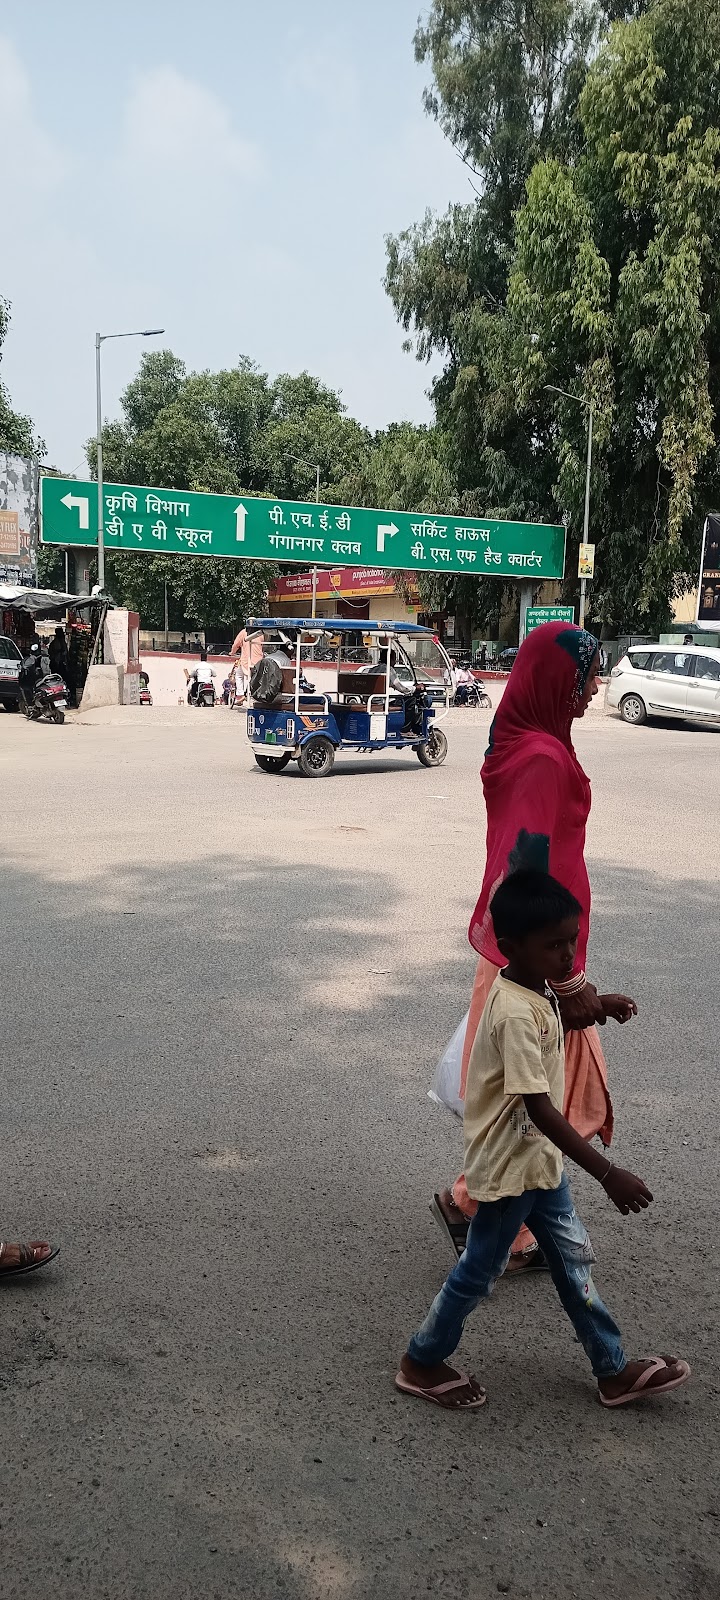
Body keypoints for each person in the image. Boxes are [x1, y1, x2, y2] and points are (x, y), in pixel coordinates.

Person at [397, 870, 690, 1410]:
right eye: (553, 945)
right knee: (479, 1272)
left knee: (572, 1260)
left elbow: (551, 1027)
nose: (567, 955)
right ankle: (421, 1359)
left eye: (571, 942)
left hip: (539, 1163)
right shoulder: (511, 1011)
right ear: (510, 948)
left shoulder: (537, 988)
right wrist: (608, 1174)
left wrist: (598, 1008)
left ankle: (613, 1369)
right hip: (512, 1168)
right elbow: (539, 1107)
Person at [432, 620, 613, 1271]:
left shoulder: (527, 742)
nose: (595, 685)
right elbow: (528, 869)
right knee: (537, 1103)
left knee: (530, 1098)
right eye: (586, 674)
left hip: (531, 955)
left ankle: (484, 1207)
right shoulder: (538, 758)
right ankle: (501, 1230)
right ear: (554, 681)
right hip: (536, 963)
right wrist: (564, 983)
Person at [230, 625, 265, 704]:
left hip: (247, 660)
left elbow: (236, 645)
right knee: (254, 678)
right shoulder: (261, 633)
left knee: (238, 675)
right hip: (259, 661)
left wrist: (232, 653)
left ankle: (240, 694)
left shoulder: (243, 632)